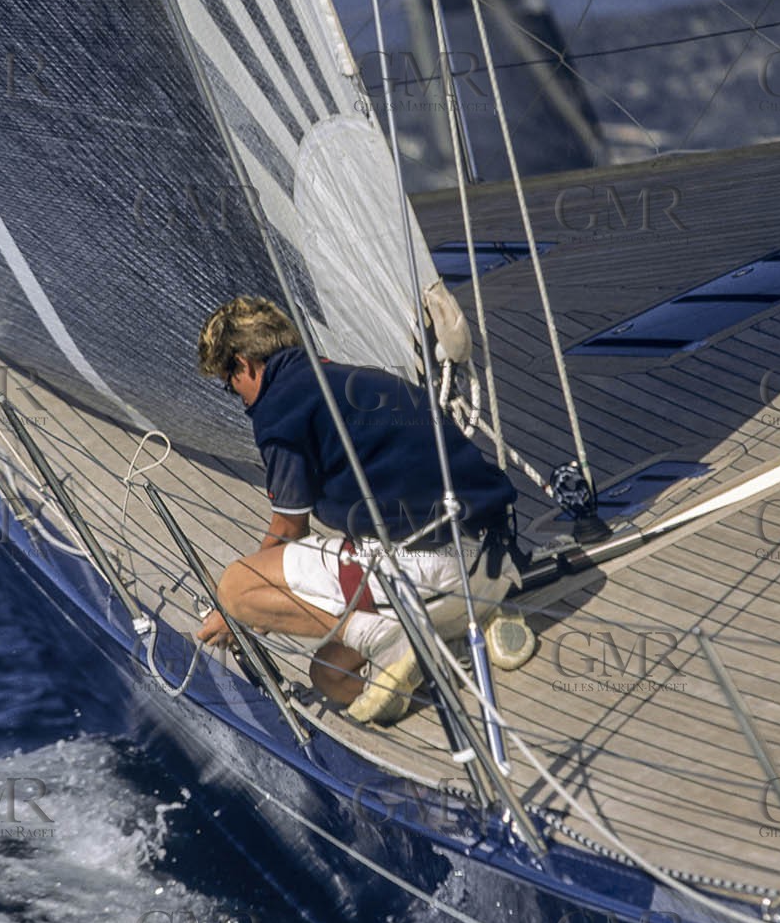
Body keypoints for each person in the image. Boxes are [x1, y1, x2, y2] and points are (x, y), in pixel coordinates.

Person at [195, 295, 532, 724]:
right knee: (329, 675)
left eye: (230, 384)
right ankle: (459, 635)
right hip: (493, 562)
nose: (239, 399)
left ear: (245, 364)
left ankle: (395, 641)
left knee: (238, 585)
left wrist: (236, 612)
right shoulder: (356, 378)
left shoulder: (280, 408)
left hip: (427, 571)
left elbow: (288, 527)